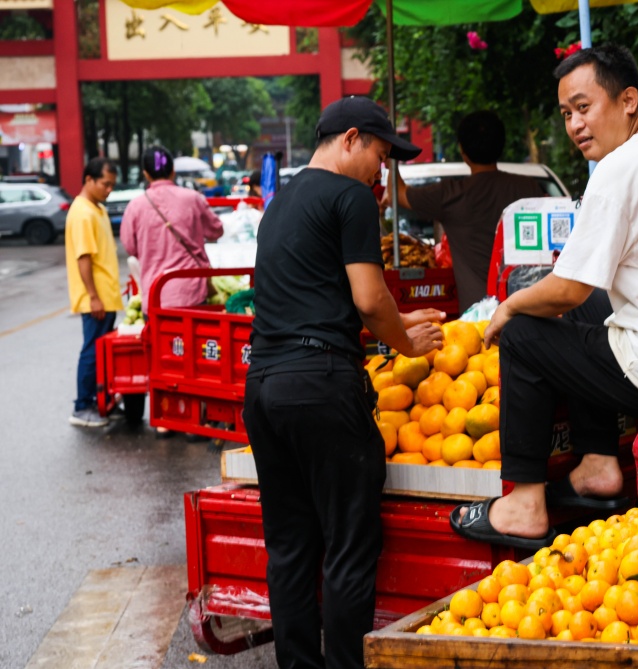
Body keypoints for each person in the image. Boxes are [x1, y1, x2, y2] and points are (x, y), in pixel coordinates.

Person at [450, 44, 638, 548]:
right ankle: (599, 463)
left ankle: (523, 502)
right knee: (591, 308)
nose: (574, 125)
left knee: (523, 332)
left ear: (628, 100)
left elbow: (565, 288)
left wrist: (509, 305)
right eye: (566, 113)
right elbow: (586, 289)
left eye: (584, 108)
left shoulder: (619, 168)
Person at [243, 96, 444, 669]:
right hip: (323, 389)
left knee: (289, 549)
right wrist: (407, 343)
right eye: (381, 157)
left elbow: (321, 300)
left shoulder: (280, 204)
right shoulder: (351, 197)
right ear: (351, 139)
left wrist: (394, 321)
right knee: (349, 549)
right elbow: (366, 297)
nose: (382, 173)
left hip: (266, 389)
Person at [392, 110, 544, 312]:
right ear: (501, 145)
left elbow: (397, 193)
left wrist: (390, 150)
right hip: (531, 309)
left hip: (478, 321)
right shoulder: (530, 189)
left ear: (462, 151)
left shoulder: (449, 194)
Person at [119, 146, 224, 309]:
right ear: (173, 171)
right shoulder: (193, 198)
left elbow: (131, 248)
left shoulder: (135, 206)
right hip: (192, 296)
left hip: (155, 297)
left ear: (145, 174)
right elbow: (216, 231)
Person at [66, 158, 121, 428]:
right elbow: (83, 258)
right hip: (95, 299)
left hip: (105, 296)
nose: (109, 189)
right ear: (88, 179)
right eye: (105, 183)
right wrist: (94, 296)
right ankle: (82, 406)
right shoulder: (83, 213)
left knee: (102, 353)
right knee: (92, 352)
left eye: (112, 185)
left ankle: (102, 402)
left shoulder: (96, 209)